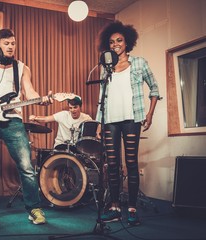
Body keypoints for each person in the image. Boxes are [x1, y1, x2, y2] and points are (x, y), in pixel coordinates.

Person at [0, 28, 52, 225]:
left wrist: (42, 100)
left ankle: (34, 208)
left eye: (13, 43)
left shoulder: (22, 67)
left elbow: (30, 91)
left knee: (26, 167)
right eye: (6, 43)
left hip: (13, 120)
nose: (10, 47)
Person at [95, 21, 160, 226]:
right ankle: (114, 207)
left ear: (127, 41)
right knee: (112, 165)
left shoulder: (139, 63)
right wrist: (99, 122)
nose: (116, 44)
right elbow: (102, 97)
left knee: (131, 164)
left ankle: (131, 208)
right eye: (112, 41)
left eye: (119, 40)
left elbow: (155, 88)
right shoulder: (106, 67)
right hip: (110, 121)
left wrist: (149, 114)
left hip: (132, 119)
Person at [29, 96, 93, 153]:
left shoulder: (86, 118)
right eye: (70, 108)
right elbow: (46, 119)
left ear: (80, 107)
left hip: (76, 149)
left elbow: (96, 128)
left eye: (75, 107)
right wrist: (35, 118)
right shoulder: (63, 115)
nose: (73, 110)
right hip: (60, 147)